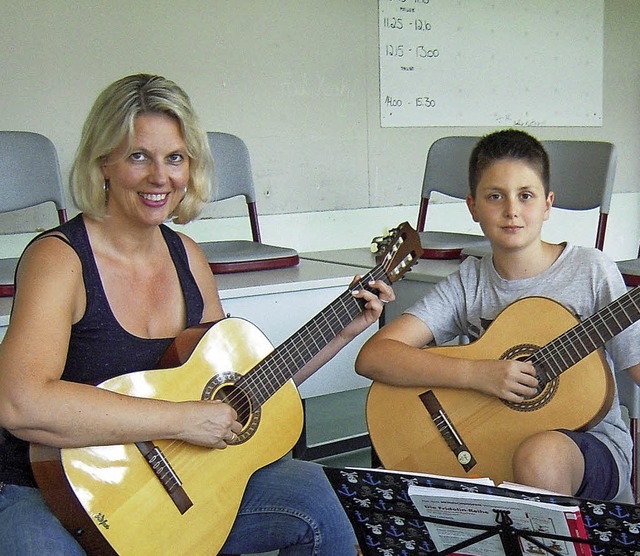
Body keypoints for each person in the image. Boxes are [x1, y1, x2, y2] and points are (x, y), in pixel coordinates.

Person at [0, 74, 394, 555]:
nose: (160, 177)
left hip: (171, 482)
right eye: (138, 156)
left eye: (175, 158)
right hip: (51, 488)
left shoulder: (187, 256)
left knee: (313, 495)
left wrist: (341, 331)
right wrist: (180, 419)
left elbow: (238, 389)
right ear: (103, 162)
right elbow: (20, 405)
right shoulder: (59, 259)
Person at [356, 129, 640, 501]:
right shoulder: (470, 281)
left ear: (547, 204)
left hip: (588, 447)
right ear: (473, 207)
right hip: (489, 440)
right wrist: (480, 374)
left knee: (539, 456)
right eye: (495, 196)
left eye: (526, 196)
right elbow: (374, 356)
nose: (512, 210)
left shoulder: (590, 270)